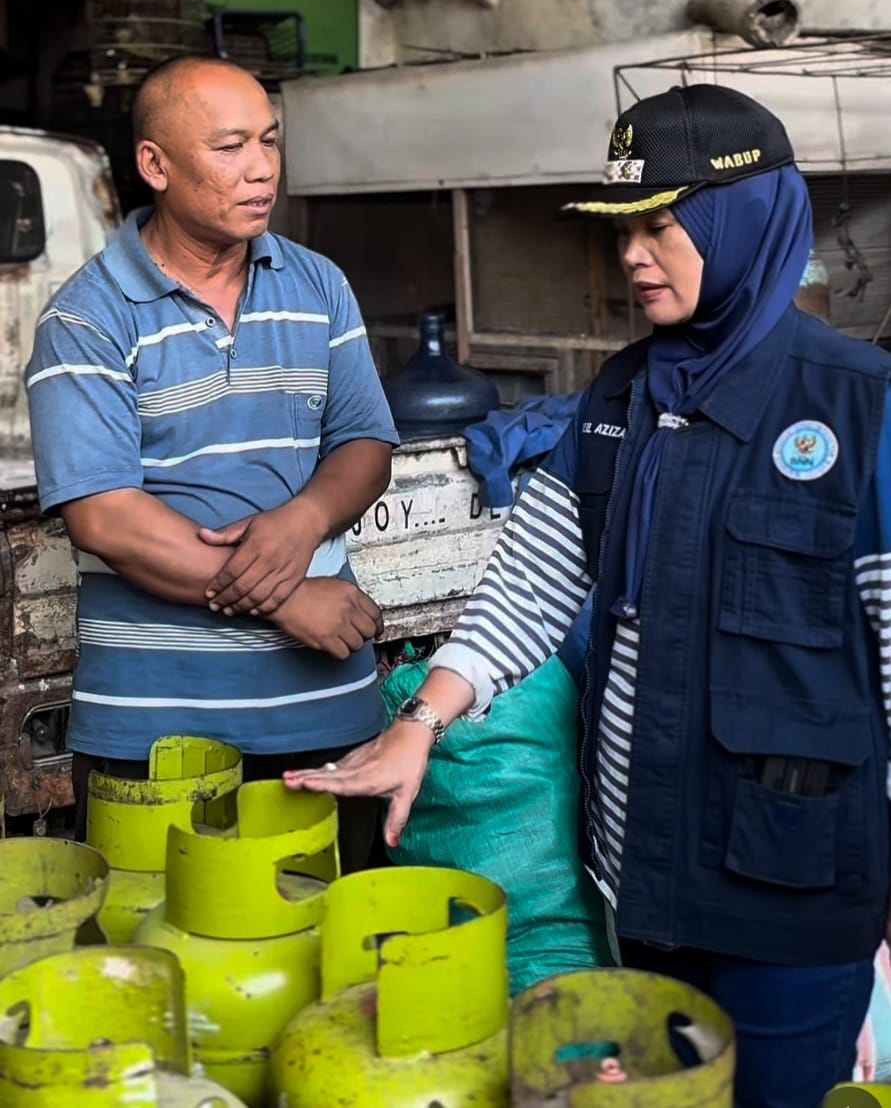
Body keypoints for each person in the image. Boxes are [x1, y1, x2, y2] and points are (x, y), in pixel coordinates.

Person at [285, 83, 891, 1106]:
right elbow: (532, 581)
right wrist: (424, 719)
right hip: (641, 881)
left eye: (662, 226)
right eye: (624, 230)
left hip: (792, 894)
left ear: (738, 219)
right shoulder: (620, 399)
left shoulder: (858, 412)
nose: (634, 256)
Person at [26, 56, 399, 870]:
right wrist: (286, 598)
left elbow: (364, 443)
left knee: (330, 961)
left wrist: (303, 517)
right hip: (154, 736)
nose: (261, 166)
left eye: (269, 140)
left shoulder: (318, 284)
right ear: (155, 165)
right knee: (168, 962)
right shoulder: (86, 319)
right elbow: (108, 519)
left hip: (326, 711)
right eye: (230, 147)